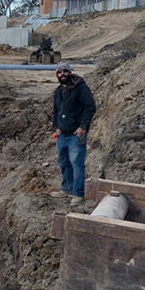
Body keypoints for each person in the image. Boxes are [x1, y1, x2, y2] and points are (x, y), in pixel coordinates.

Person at [49, 62, 96, 205]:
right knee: (64, 162)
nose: (62, 74)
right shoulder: (58, 91)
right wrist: (55, 127)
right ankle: (67, 189)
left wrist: (83, 126)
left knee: (77, 163)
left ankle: (78, 193)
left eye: (65, 71)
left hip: (76, 134)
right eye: (59, 72)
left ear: (70, 72)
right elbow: (56, 111)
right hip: (62, 134)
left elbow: (90, 107)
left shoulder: (80, 88)